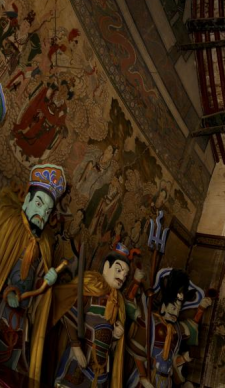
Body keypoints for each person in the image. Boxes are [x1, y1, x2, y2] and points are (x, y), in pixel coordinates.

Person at [0, 164, 66, 382]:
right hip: (2, 308)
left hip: (21, 320)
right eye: (39, 204)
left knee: (13, 372)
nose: (42, 214)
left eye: (47, 211)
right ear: (26, 201)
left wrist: (46, 280)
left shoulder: (44, 244)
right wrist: (7, 291)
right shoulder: (9, 224)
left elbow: (38, 289)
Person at [51, 241, 137, 388]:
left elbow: (108, 337)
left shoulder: (118, 303)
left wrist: (115, 336)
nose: (122, 277)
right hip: (81, 356)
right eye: (118, 270)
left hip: (101, 367)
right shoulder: (91, 287)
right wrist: (76, 347)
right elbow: (69, 313)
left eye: (125, 274)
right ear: (106, 267)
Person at [125, 268, 212, 388]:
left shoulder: (178, 330)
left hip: (166, 382)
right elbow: (130, 308)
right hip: (149, 378)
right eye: (173, 308)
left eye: (178, 309)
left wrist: (185, 358)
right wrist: (136, 281)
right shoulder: (151, 321)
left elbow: (173, 360)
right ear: (163, 306)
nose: (175, 313)